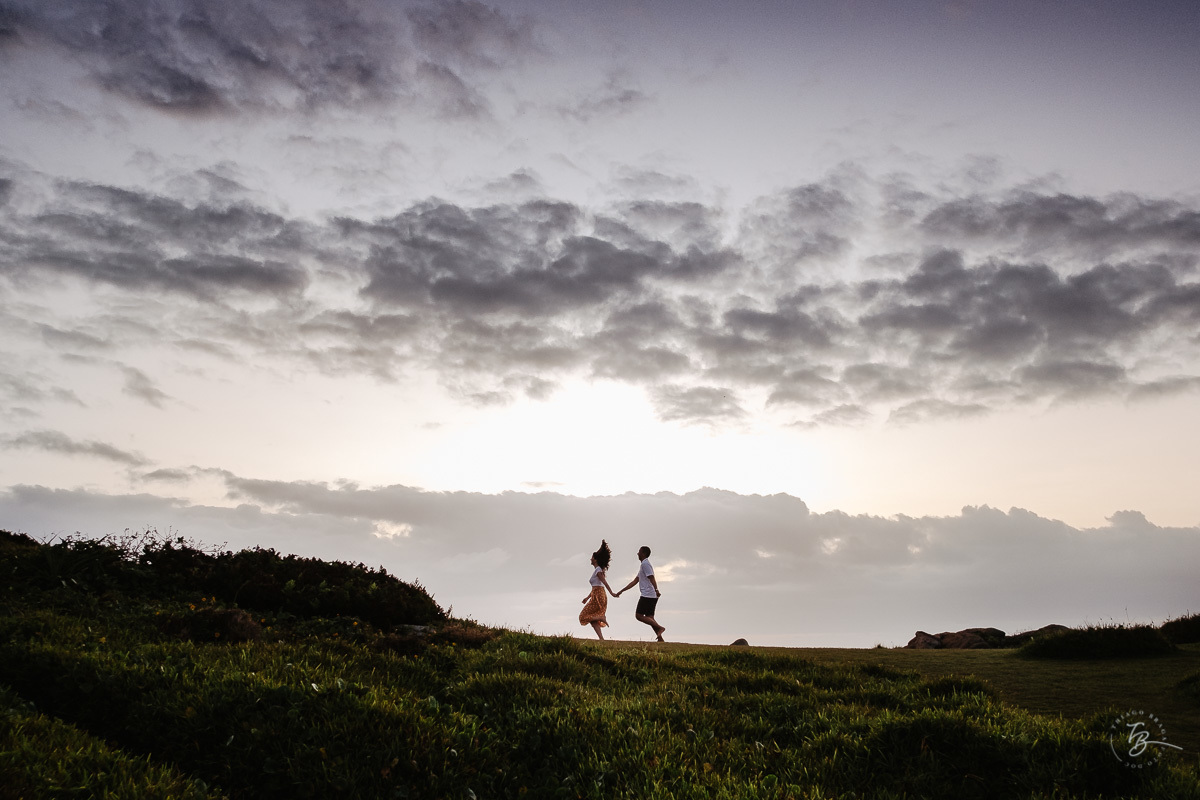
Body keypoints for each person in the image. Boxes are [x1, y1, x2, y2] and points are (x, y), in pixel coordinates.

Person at [617, 545, 665, 641]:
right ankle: (660, 638)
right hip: (650, 594)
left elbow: (651, 577)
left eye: (639, 551)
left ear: (643, 554)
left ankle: (660, 628)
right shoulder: (643, 565)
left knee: (638, 616)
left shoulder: (645, 564)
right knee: (650, 617)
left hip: (648, 594)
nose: (637, 553)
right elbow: (635, 581)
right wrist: (621, 591)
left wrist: (656, 590)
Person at [579, 539, 617, 639]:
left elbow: (604, 582)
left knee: (583, 616)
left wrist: (612, 593)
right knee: (593, 620)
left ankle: (601, 617)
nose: (590, 559)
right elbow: (595, 587)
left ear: (595, 559)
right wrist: (587, 598)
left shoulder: (598, 570)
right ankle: (601, 639)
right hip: (596, 594)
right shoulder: (597, 570)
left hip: (599, 595)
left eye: (592, 557)